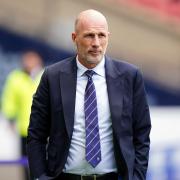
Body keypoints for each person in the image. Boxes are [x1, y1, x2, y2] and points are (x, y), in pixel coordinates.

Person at [27, 9, 151, 180]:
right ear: (74, 38)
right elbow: (36, 135)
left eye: (101, 35)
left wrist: (137, 177)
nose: (96, 43)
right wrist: (40, 177)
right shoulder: (52, 77)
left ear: (108, 37)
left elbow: (142, 134)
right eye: (89, 35)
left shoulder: (130, 76)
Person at [1, 50, 43, 180]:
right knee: (26, 163)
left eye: (31, 61)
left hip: (44, 130)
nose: (28, 64)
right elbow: (9, 99)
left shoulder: (45, 76)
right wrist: (11, 118)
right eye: (26, 61)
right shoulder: (16, 78)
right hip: (24, 130)